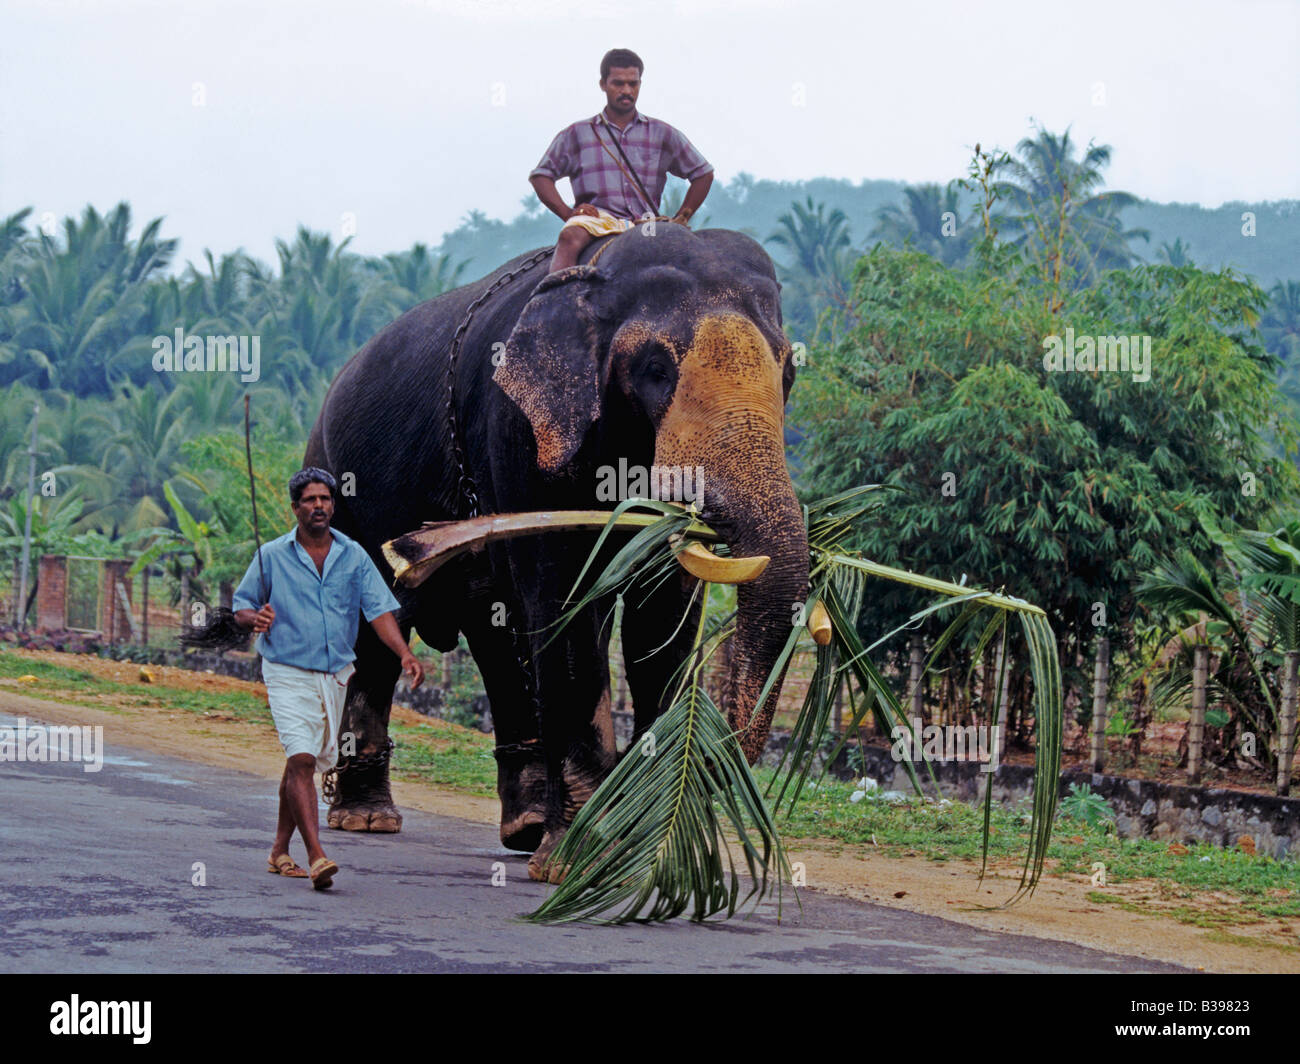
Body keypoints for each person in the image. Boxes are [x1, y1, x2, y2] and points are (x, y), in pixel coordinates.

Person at [233, 468, 424, 889]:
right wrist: (256, 617)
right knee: (302, 758)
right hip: (285, 669)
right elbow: (242, 606)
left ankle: (279, 850)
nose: (318, 506)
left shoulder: (353, 556)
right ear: (295, 507)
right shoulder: (273, 556)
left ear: (333, 506)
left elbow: (378, 611)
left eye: (325, 499)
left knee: (304, 761)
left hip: (336, 675)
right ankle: (317, 856)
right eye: (309, 499)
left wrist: (405, 653)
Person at [529, 48, 714, 273]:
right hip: (598, 221)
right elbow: (541, 177)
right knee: (569, 236)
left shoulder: (662, 133)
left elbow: (703, 173)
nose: (626, 90)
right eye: (618, 83)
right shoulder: (577, 133)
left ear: (639, 84)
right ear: (603, 84)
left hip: (647, 224)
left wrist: (683, 215)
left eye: (633, 84)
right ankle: (554, 300)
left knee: (694, 263)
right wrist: (568, 213)